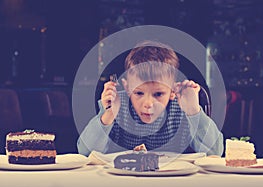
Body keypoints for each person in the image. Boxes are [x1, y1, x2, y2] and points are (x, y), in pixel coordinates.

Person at [77, 40, 223, 156]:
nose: (148, 104)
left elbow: (215, 152)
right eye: (139, 93)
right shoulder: (116, 104)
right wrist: (108, 114)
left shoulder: (183, 107)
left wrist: (193, 111)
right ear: (127, 88)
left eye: (158, 94)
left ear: (172, 90)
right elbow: (85, 152)